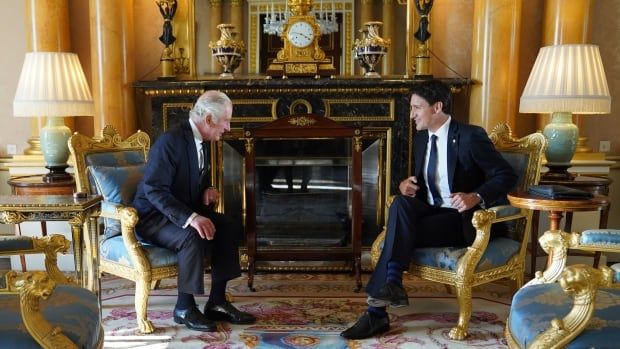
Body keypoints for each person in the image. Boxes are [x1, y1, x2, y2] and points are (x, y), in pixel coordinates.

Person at [340, 79, 517, 340]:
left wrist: (475, 196)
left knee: (397, 233)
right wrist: (406, 186)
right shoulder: (422, 139)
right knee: (400, 203)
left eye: (416, 108)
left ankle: (376, 312)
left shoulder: (470, 136)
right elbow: (425, 181)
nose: (411, 114)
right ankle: (391, 285)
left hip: (461, 220)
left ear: (437, 107)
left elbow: (506, 175)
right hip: (432, 214)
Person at [133, 90, 256, 332]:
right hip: (154, 217)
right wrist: (191, 218)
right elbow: (154, 189)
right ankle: (184, 308)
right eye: (226, 121)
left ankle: (217, 302)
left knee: (228, 225)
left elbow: (188, 177)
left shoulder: (200, 138)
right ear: (209, 119)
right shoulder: (172, 141)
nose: (229, 128)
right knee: (192, 236)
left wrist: (206, 189)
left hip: (180, 208)